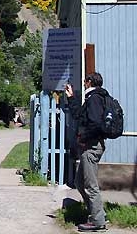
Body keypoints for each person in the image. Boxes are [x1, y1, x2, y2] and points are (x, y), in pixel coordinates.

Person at [65, 72, 108, 232]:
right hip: (89, 146)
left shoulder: (95, 99)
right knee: (80, 183)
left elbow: (96, 124)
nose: (83, 83)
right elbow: (79, 116)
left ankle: (98, 222)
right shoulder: (92, 98)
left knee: (90, 185)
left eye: (84, 81)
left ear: (89, 82)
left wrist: (83, 138)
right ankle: (97, 213)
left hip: (91, 147)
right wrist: (70, 97)